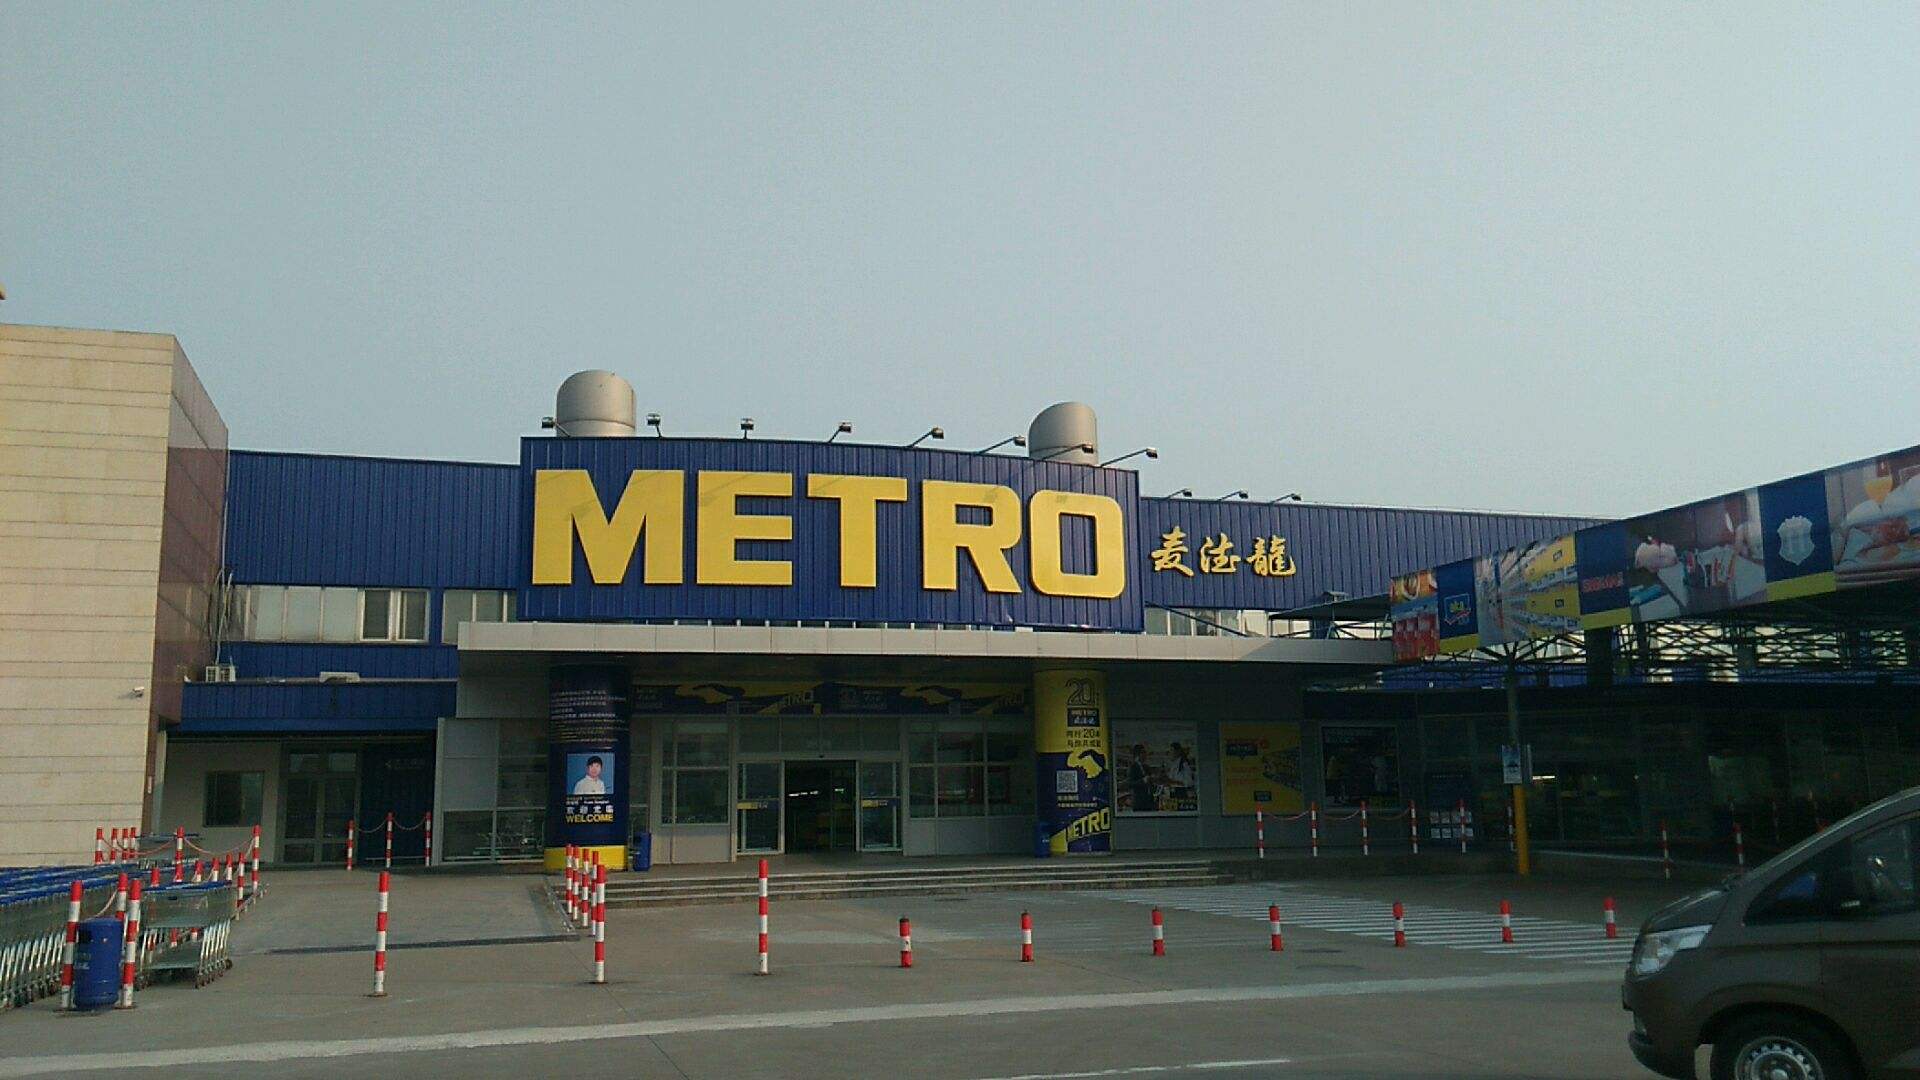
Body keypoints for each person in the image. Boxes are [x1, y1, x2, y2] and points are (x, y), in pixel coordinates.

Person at [1126, 744, 1152, 812]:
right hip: (1138, 801)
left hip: (1148, 800)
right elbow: (1130, 783)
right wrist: (1143, 781)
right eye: (1143, 752)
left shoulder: (1146, 767)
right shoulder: (1133, 767)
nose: (1145, 755)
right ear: (1137, 754)